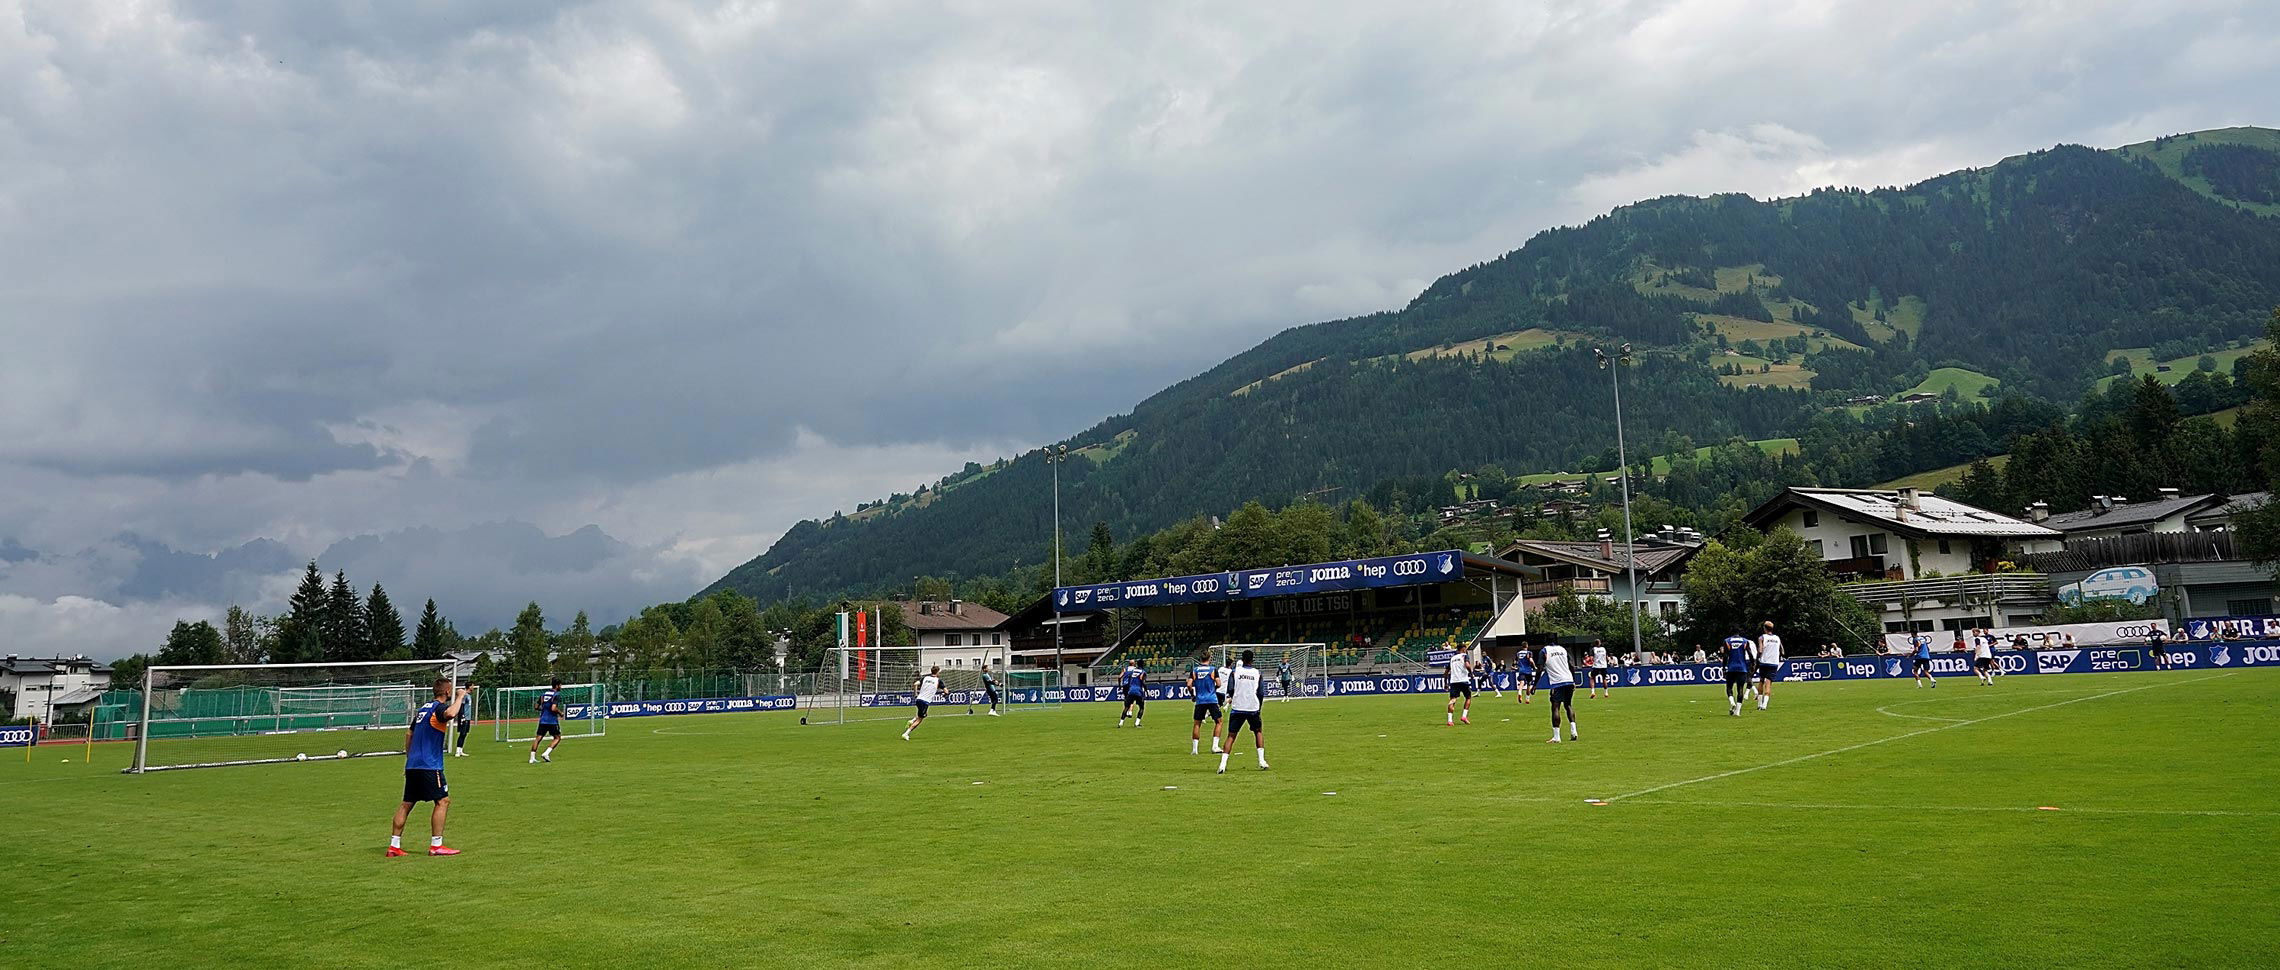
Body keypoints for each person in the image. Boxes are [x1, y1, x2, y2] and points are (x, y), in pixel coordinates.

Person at [388, 678, 468, 857]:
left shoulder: (421, 710)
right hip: (430, 765)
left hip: (414, 765)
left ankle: (394, 845)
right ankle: (436, 845)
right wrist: (461, 697)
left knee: (406, 803)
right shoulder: (438, 708)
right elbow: (450, 714)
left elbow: (409, 734)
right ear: (447, 692)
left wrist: (410, 759)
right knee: (443, 801)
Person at [1217, 649, 1269, 773]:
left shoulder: (1235, 672)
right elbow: (1261, 693)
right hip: (1253, 707)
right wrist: (1259, 707)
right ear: (1252, 660)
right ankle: (1262, 761)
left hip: (1237, 707)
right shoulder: (1257, 673)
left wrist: (1236, 697)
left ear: (1242, 659)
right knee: (1258, 732)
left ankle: (1222, 765)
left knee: (1231, 736)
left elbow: (1230, 689)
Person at [1542, 641, 1578, 743]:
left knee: (1555, 707)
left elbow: (1540, 667)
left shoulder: (1545, 650)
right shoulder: (1563, 649)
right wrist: (1574, 680)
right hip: (1569, 680)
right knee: (1568, 705)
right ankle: (1574, 731)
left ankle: (1557, 737)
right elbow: (1571, 665)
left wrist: (1534, 684)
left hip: (1557, 683)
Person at [1188, 659, 1224, 755]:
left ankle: (1195, 749)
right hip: (1211, 699)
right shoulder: (1212, 669)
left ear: (1200, 660)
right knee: (1219, 722)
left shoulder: (1195, 670)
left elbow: (1189, 684)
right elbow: (1219, 683)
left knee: (1197, 724)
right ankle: (1215, 746)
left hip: (1200, 700)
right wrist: (1213, 689)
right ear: (1210, 659)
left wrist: (1192, 695)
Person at [528, 677, 564, 765]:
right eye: (560, 685)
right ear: (557, 685)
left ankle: (532, 758)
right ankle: (546, 753)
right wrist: (560, 713)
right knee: (557, 738)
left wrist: (544, 710)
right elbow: (553, 708)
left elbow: (536, 707)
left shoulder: (543, 694)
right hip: (552, 721)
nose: (561, 687)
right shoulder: (556, 694)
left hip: (543, 720)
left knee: (538, 739)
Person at [902, 665, 942, 740]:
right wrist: (945, 694)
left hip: (918, 699)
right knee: (920, 719)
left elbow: (915, 684)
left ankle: (912, 720)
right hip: (925, 701)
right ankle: (906, 733)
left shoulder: (925, 678)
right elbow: (946, 691)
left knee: (923, 715)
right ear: (937, 672)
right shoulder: (938, 680)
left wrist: (915, 694)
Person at [1754, 621, 1783, 711]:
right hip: (1774, 663)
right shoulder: (1777, 638)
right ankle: (1764, 705)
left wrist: (1757, 659)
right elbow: (1782, 651)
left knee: (1761, 681)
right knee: (1769, 683)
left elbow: (1760, 650)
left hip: (1764, 662)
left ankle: (1759, 704)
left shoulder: (1762, 637)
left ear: (1764, 628)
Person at [1722, 634, 1754, 716]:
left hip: (1731, 668)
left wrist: (1724, 668)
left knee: (1729, 687)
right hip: (1742, 668)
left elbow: (1725, 656)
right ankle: (1738, 711)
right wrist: (1752, 664)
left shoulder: (1727, 641)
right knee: (1740, 689)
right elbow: (1750, 654)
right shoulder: (1745, 641)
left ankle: (1732, 702)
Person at [1443, 647, 1475, 726]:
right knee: (1468, 697)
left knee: (1453, 700)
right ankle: (1464, 716)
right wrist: (1471, 673)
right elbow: (1467, 665)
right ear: (1463, 649)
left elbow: (1446, 672)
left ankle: (1450, 721)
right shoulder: (1464, 656)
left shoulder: (1452, 658)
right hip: (1463, 680)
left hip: (1454, 681)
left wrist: (1445, 683)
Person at [1116, 660, 1148, 727]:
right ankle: (1137, 723)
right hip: (1138, 691)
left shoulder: (1133, 671)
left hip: (1131, 690)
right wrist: (1146, 690)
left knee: (1126, 707)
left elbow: (1129, 678)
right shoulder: (1143, 672)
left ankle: (1120, 723)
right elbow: (1142, 681)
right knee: (1141, 708)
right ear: (1143, 665)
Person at [453, 683, 475, 757]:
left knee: (465, 733)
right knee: (462, 733)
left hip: (468, 718)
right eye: (472, 685)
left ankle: (461, 750)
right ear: (469, 686)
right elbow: (461, 706)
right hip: (464, 717)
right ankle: (457, 751)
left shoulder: (469, 696)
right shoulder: (464, 695)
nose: (473, 687)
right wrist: (462, 716)